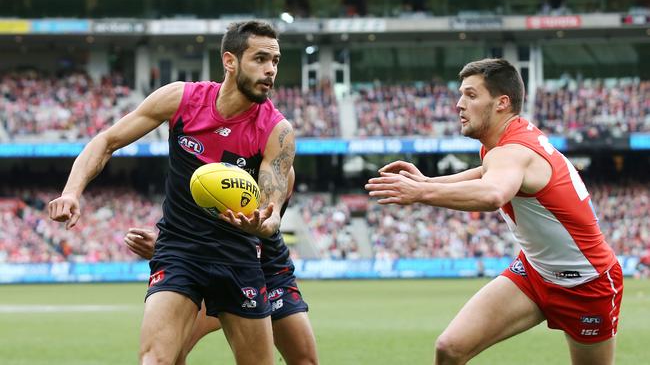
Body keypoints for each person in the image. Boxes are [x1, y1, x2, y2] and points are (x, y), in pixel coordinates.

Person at [49, 20, 294, 365]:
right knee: (156, 360)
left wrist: (260, 224)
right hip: (179, 254)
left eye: (276, 61)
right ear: (230, 61)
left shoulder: (277, 130)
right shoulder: (182, 98)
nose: (270, 70)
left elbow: (272, 213)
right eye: (260, 59)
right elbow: (106, 141)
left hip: (239, 258)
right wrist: (72, 192)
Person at [365, 58, 623, 365]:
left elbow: (493, 193)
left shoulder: (513, 151)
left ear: (502, 102)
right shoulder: (504, 141)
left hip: (587, 284)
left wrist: (422, 192)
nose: (459, 104)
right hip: (535, 272)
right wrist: (429, 181)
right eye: (461, 94)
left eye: (471, 95)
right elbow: (486, 172)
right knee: (450, 348)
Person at [124, 167, 318, 365]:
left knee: (304, 360)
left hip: (269, 266)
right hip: (222, 262)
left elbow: (267, 221)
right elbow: (194, 222)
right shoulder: (207, 166)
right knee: (174, 352)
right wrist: (167, 246)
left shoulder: (280, 164)